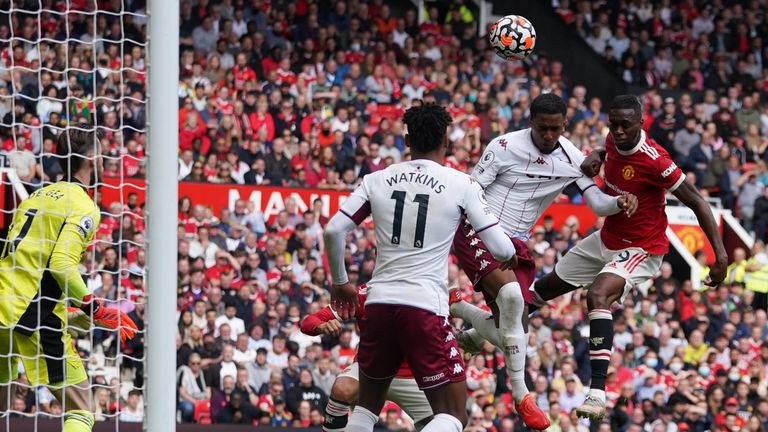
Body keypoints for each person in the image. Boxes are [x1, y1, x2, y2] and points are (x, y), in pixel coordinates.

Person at [529, 95, 728, 420]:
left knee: (597, 295)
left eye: (626, 125)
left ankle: (596, 393)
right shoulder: (612, 138)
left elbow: (697, 201)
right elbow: (608, 149)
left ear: (641, 123)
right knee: (542, 290)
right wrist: (596, 153)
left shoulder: (656, 160)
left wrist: (719, 256)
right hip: (606, 239)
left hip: (641, 249)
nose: (619, 131)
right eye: (614, 124)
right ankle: (481, 332)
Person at [448, 93, 637, 430]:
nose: (549, 135)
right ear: (530, 123)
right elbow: (470, 192)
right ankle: (523, 395)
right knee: (511, 299)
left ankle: (462, 310)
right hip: (479, 230)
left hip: (517, 247)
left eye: (555, 128)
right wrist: (488, 232)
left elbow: (595, 202)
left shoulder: (572, 157)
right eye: (542, 128)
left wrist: (618, 203)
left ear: (564, 125)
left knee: (513, 328)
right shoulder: (504, 146)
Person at [325, 103, 517, 432]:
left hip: (379, 304)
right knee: (454, 415)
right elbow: (501, 247)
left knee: (367, 408)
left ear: (407, 141)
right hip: (423, 306)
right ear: (446, 141)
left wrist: (340, 281)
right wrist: (509, 254)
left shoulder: (376, 179)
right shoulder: (462, 184)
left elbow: (333, 230)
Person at [0, 129, 138, 432]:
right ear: (90, 158)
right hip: (30, 313)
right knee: (82, 409)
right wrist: (94, 308)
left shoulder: (37, 195)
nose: (104, 158)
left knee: (3, 390)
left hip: (3, 307)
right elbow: (60, 264)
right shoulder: (84, 205)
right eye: (100, 152)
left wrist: (73, 314)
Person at [300, 283, 434, 431]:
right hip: (370, 369)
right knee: (342, 388)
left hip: (412, 376)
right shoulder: (363, 294)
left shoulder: (426, 291)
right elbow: (308, 322)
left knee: (441, 422)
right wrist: (321, 326)